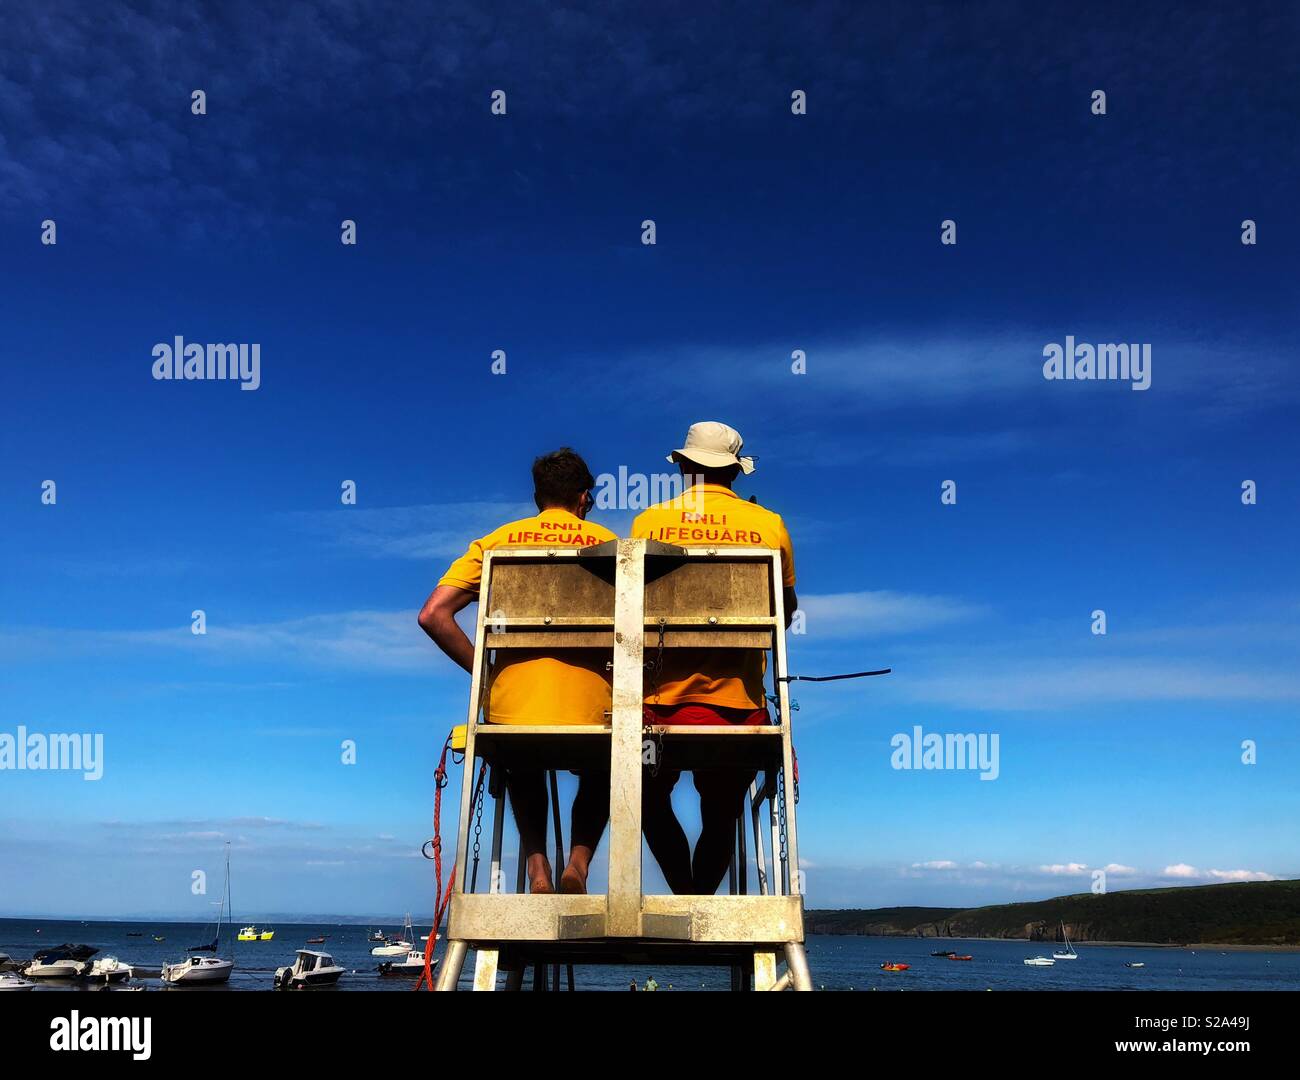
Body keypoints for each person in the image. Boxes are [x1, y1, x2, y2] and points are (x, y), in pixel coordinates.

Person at [418, 448, 616, 895]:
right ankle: (579, 867)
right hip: (596, 716)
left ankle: (537, 870)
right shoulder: (612, 547)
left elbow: (433, 615)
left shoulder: (495, 543)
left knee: (521, 756)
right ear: (584, 498)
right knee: (608, 763)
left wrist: (485, 680)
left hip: (514, 715)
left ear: (536, 497)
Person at [631, 421, 797, 895]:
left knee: (646, 797)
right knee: (722, 806)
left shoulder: (647, 524)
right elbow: (783, 612)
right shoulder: (769, 525)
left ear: (683, 466)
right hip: (739, 710)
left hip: (656, 708)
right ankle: (699, 898)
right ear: (736, 474)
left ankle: (683, 891)